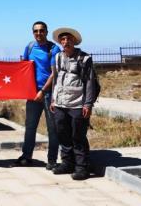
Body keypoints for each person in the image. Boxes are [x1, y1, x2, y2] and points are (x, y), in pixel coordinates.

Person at [50, 27, 97, 181]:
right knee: (62, 133)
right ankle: (67, 163)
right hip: (60, 103)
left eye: (68, 39)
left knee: (78, 136)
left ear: (74, 41)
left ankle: (82, 167)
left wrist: (88, 104)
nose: (65, 42)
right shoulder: (57, 57)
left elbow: (90, 82)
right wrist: (53, 99)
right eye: (62, 39)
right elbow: (55, 79)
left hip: (78, 104)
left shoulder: (84, 58)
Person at [13, 21, 60, 169]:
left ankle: (52, 160)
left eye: (41, 31)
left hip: (48, 94)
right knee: (30, 126)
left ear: (46, 32)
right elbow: (25, 67)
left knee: (52, 128)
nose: (38, 33)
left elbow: (54, 73)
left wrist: (43, 91)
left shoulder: (54, 49)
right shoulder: (30, 47)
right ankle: (26, 156)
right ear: (33, 33)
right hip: (32, 94)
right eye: (36, 31)